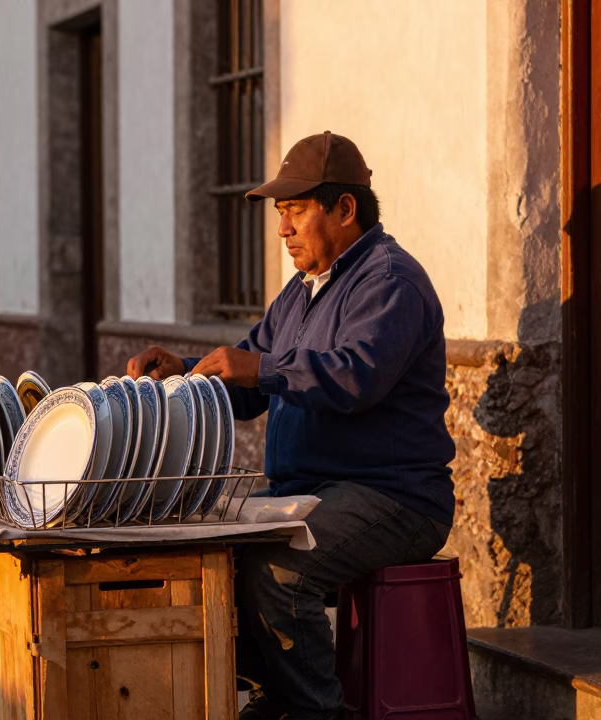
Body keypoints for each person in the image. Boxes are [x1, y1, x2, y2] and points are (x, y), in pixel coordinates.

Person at [126, 132, 454, 720]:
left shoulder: (391, 281)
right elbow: (251, 383)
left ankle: (315, 711)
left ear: (345, 209)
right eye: (282, 213)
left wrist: (260, 367)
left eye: (296, 211)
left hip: (395, 498)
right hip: (308, 494)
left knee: (279, 574)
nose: (283, 230)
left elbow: (357, 379)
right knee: (214, 555)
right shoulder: (301, 292)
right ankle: (276, 697)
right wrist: (184, 374)